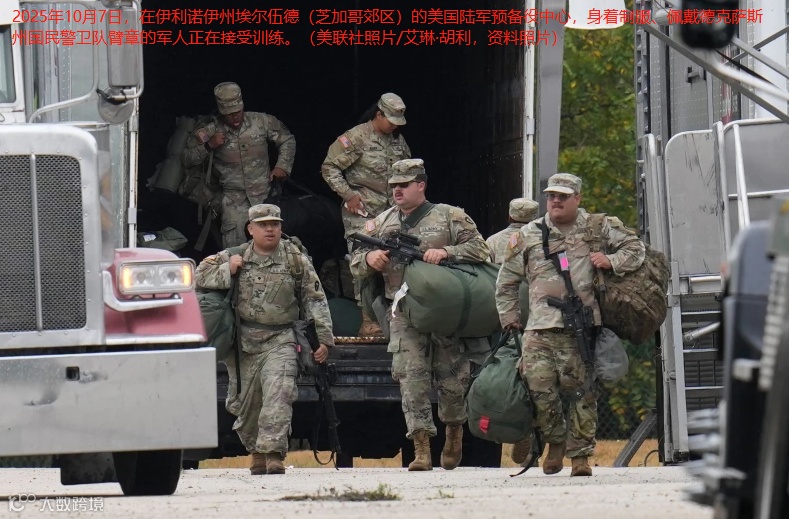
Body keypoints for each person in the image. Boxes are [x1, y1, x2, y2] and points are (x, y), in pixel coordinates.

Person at [495, 173, 645, 477]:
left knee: (584, 393)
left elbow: (636, 250)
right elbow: (506, 281)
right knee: (539, 390)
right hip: (539, 327)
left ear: (578, 198)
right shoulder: (529, 234)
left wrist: (611, 260)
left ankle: (580, 457)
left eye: (563, 196)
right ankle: (555, 440)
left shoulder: (598, 227)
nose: (556, 201)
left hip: (584, 327)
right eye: (551, 196)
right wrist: (509, 318)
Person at [350, 158, 490, 471]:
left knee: (453, 380)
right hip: (403, 311)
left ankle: (453, 430)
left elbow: (481, 250)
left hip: (443, 312)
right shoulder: (382, 222)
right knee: (410, 378)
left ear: (421, 185)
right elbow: (355, 259)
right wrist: (369, 259)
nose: (397, 191)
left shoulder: (450, 216)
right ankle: (422, 447)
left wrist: (447, 252)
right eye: (393, 186)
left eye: (404, 185)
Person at [195, 203, 334, 475]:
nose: (270, 229)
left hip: (281, 338)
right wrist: (227, 270)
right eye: (263, 225)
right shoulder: (235, 255)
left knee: (279, 393)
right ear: (250, 229)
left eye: (275, 224)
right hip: (243, 342)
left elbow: (315, 299)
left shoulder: (295, 259)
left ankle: (273, 453)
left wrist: (324, 340)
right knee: (246, 403)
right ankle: (256, 451)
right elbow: (198, 275)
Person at [321, 93, 411, 336]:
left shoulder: (397, 141)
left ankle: (395, 319)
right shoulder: (356, 137)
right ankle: (368, 321)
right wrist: (348, 194)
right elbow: (329, 167)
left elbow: (408, 172)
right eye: (390, 121)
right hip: (363, 213)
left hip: (392, 213)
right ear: (378, 114)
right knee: (364, 263)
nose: (394, 126)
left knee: (395, 263)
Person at [183, 82, 296, 249]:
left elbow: (287, 140)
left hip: (266, 197)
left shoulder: (261, 121)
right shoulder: (210, 130)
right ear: (221, 113)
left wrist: (282, 166)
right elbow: (187, 159)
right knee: (235, 254)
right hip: (233, 203)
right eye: (229, 114)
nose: (235, 117)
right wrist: (209, 146)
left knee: (272, 251)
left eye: (238, 112)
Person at [485, 197, 539, 466]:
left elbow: (484, 275)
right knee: (533, 376)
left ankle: (498, 423)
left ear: (509, 216)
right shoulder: (540, 239)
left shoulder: (493, 242)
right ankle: (528, 430)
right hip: (536, 316)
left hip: (504, 316)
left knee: (502, 373)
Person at [486, 198, 540, 264]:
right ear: (536, 219)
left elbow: (486, 268)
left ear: (510, 217)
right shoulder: (544, 240)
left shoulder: (492, 241)